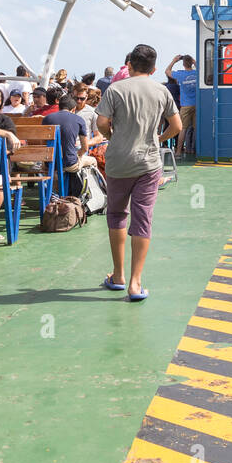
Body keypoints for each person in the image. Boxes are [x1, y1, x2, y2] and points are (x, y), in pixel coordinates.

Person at [94, 44, 181, 301]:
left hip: (119, 162)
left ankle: (118, 275)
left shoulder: (115, 89)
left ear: (129, 65)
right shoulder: (161, 90)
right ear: (154, 69)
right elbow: (176, 125)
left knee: (117, 214)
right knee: (143, 218)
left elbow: (101, 122)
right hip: (148, 163)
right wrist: (159, 137)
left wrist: (112, 136)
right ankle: (135, 283)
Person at [44, 95, 96, 175]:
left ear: (59, 107)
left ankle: (56, 187)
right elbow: (85, 148)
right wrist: (78, 154)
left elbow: (43, 142)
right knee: (93, 160)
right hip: (70, 163)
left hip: (50, 163)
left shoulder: (47, 119)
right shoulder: (79, 120)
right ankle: (87, 187)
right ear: (73, 109)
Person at [166, 55, 198, 157]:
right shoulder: (197, 73)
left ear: (183, 64)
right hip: (197, 104)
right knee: (196, 128)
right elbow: (204, 70)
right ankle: (195, 150)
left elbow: (167, 71)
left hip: (185, 105)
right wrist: (195, 62)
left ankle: (179, 151)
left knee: (183, 128)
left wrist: (174, 61)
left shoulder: (180, 74)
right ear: (191, 63)